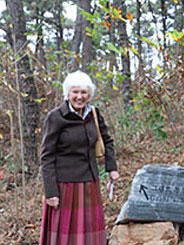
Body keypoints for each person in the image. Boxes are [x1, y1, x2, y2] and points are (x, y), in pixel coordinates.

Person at [39, 70, 119, 244]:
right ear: (68, 93)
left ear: (89, 94)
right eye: (75, 92)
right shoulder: (55, 117)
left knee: (89, 233)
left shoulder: (94, 114)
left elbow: (107, 140)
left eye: (83, 92)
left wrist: (111, 168)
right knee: (65, 235)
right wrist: (51, 192)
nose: (79, 96)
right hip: (64, 186)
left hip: (90, 182)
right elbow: (47, 156)